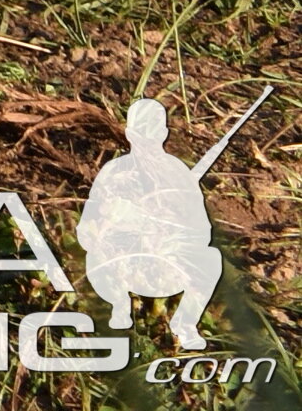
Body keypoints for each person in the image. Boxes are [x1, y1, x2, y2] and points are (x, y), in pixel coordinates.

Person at [77, 96, 227, 350]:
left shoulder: (178, 172)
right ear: (128, 133)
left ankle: (184, 324)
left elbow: (203, 231)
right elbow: (86, 228)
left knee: (211, 259)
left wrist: (169, 228)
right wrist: (115, 230)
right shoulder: (114, 171)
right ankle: (119, 307)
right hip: (121, 261)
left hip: (166, 261)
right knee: (94, 253)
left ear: (163, 133)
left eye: (152, 131)